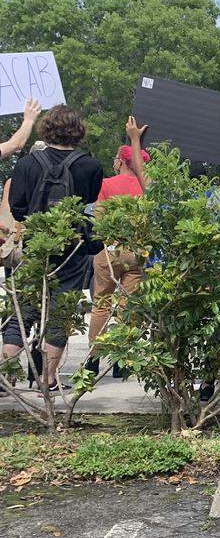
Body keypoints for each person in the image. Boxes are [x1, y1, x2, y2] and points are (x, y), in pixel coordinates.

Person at [2, 105, 103, 391]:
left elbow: (18, 208)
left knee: (23, 310)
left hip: (35, 244)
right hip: (72, 249)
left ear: (47, 128)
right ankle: (47, 380)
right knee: (60, 312)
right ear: (78, 130)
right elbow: (90, 199)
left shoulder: (26, 165)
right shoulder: (90, 165)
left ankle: (7, 376)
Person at [85, 139, 150, 375]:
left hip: (109, 250)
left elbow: (98, 220)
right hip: (135, 252)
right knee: (127, 306)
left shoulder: (106, 184)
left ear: (121, 161)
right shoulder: (146, 187)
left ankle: (93, 360)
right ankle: (121, 363)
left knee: (101, 302)